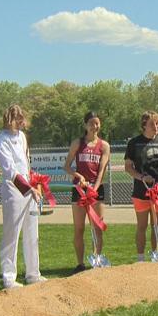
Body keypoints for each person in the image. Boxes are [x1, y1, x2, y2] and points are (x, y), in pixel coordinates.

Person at [0, 104, 46, 288]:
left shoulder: (22, 137)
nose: (21, 122)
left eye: (22, 118)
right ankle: (9, 277)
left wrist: (35, 185)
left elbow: (26, 162)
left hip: (29, 187)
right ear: (10, 119)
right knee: (12, 233)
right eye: (18, 118)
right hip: (13, 189)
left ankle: (33, 274)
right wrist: (26, 187)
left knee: (32, 232)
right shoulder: (2, 140)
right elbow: (9, 169)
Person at [64, 111, 111, 273]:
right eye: (91, 123)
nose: (94, 126)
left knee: (97, 227)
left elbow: (102, 170)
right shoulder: (78, 143)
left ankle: (96, 261)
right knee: (79, 228)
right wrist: (78, 176)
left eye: (97, 123)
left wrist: (94, 189)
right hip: (79, 189)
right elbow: (67, 166)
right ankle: (80, 264)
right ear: (85, 125)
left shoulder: (104, 146)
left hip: (96, 191)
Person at [124, 110, 158, 261]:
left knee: (156, 225)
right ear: (144, 125)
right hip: (141, 191)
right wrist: (142, 177)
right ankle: (141, 258)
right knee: (142, 226)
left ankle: (156, 255)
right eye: (152, 124)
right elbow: (128, 167)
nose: (156, 126)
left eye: (157, 123)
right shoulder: (134, 143)